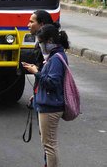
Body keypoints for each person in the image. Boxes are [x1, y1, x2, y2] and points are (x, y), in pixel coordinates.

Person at [22, 24, 70, 167]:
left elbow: (52, 83)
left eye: (41, 42)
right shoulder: (55, 56)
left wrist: (36, 71)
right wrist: (36, 94)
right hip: (48, 103)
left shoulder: (56, 58)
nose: (40, 46)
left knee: (49, 145)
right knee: (48, 143)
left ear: (49, 41)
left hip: (50, 106)